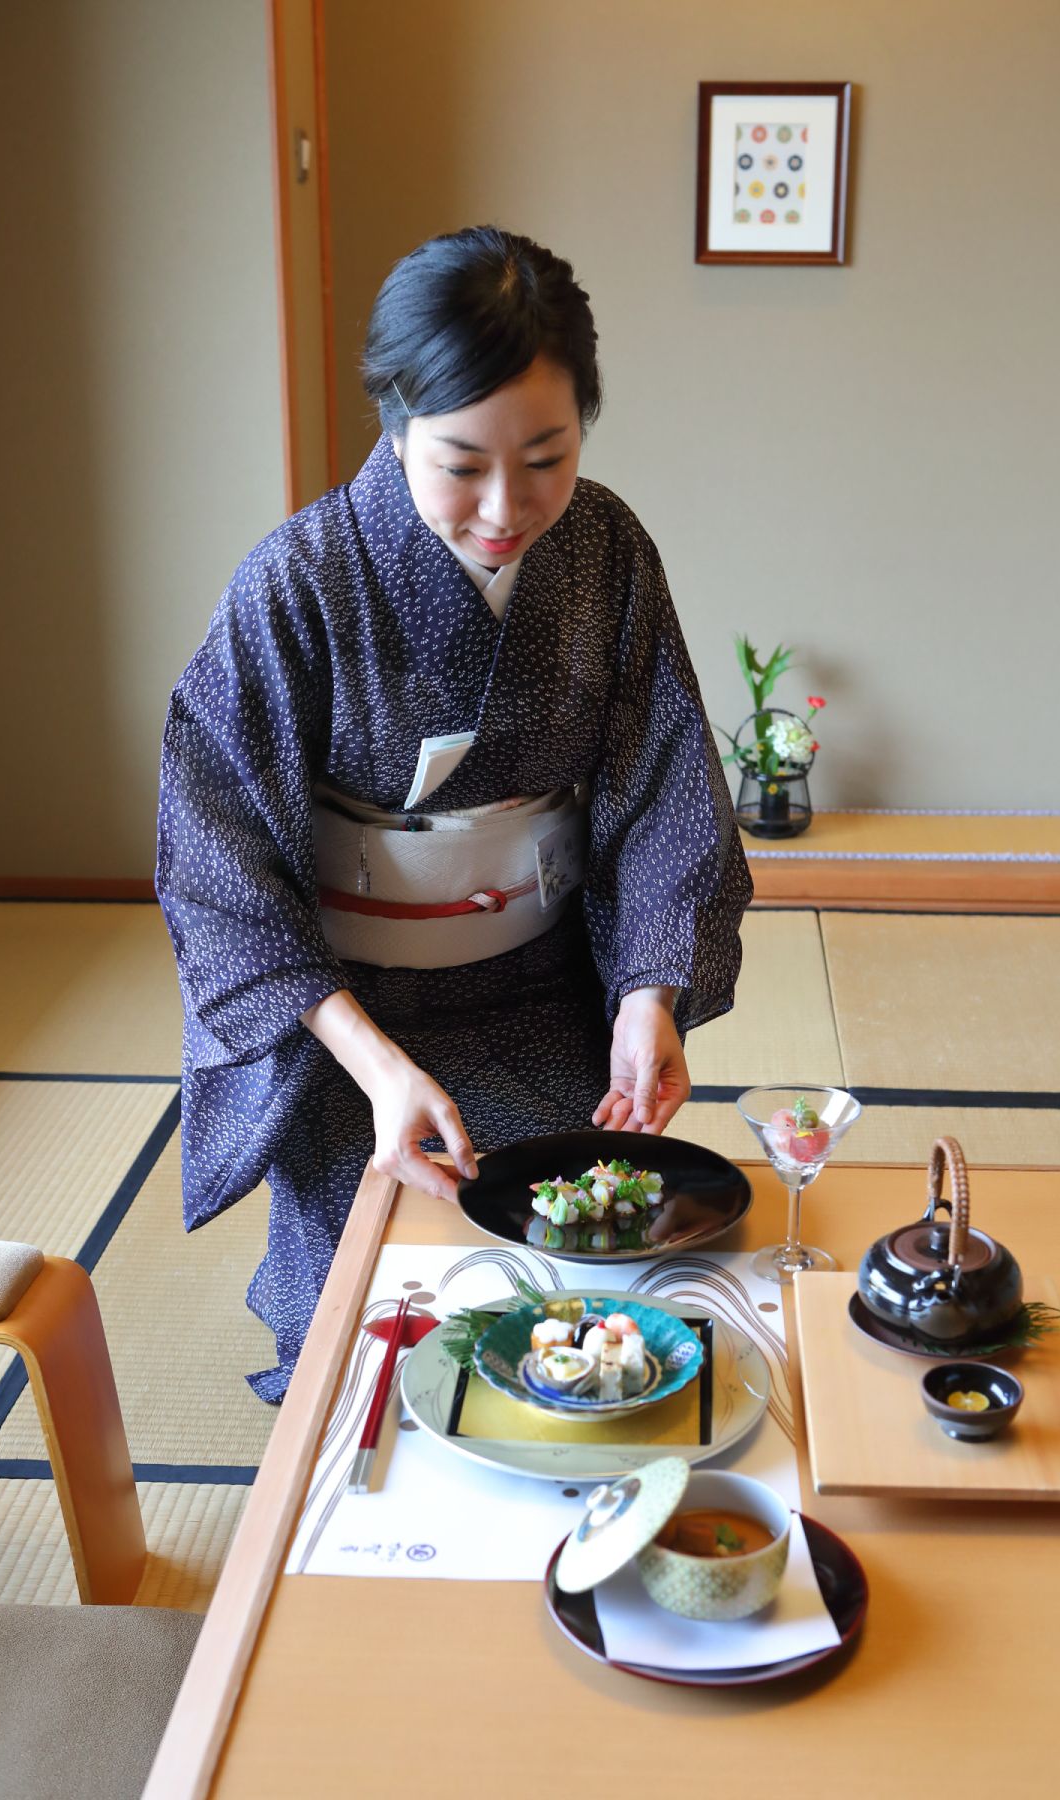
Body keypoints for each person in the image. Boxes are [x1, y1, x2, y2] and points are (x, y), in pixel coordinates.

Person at [157, 227, 752, 1402]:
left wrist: (650, 995)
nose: (504, 506)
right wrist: (377, 1069)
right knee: (378, 1326)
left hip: (543, 994)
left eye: (546, 455)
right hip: (349, 1025)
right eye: (461, 461)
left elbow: (665, 774)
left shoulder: (608, 553)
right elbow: (215, 858)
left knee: (596, 1274)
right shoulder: (298, 583)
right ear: (392, 420)